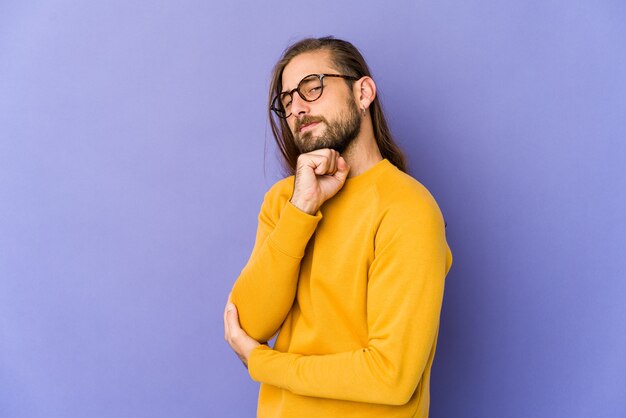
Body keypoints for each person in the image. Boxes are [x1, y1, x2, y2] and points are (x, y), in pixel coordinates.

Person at [223, 36, 453, 418]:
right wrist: (302, 209)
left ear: (363, 92)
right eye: (287, 100)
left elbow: (390, 377)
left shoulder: (408, 208)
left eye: (312, 87)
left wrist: (264, 364)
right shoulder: (286, 201)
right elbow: (248, 325)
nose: (297, 107)